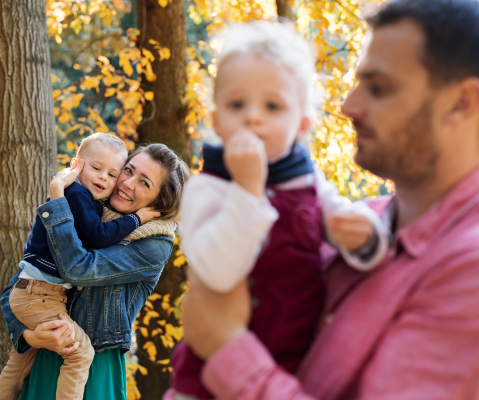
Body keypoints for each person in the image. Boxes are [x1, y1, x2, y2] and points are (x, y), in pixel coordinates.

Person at [179, 0, 479, 399]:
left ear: (462, 102)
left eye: (379, 88)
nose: (348, 107)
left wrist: (227, 348)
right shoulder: (360, 222)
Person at [166, 22, 389, 400]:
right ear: (217, 120)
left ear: (300, 125)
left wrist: (366, 237)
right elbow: (218, 275)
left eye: (272, 106)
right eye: (237, 105)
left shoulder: (308, 180)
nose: (253, 117)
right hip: (207, 380)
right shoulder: (208, 188)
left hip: (295, 363)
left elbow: (342, 221)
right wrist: (248, 189)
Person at [0, 143, 190, 400]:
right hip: (45, 356)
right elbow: (19, 285)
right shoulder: (87, 214)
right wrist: (29, 336)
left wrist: (57, 199)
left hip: (94, 368)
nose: (127, 183)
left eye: (144, 183)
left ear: (159, 202)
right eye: (128, 171)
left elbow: (77, 269)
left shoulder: (153, 244)